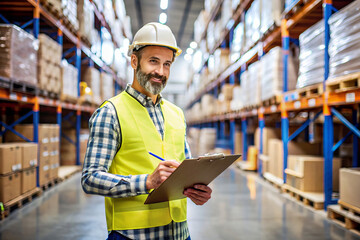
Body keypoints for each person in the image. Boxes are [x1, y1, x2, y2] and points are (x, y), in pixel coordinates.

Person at [81, 22, 212, 240]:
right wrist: (146, 182)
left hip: (179, 233)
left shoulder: (176, 114)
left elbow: (186, 170)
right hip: (131, 235)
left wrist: (197, 190)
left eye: (167, 64)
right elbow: (90, 178)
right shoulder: (111, 112)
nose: (160, 72)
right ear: (134, 61)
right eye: (153, 61)